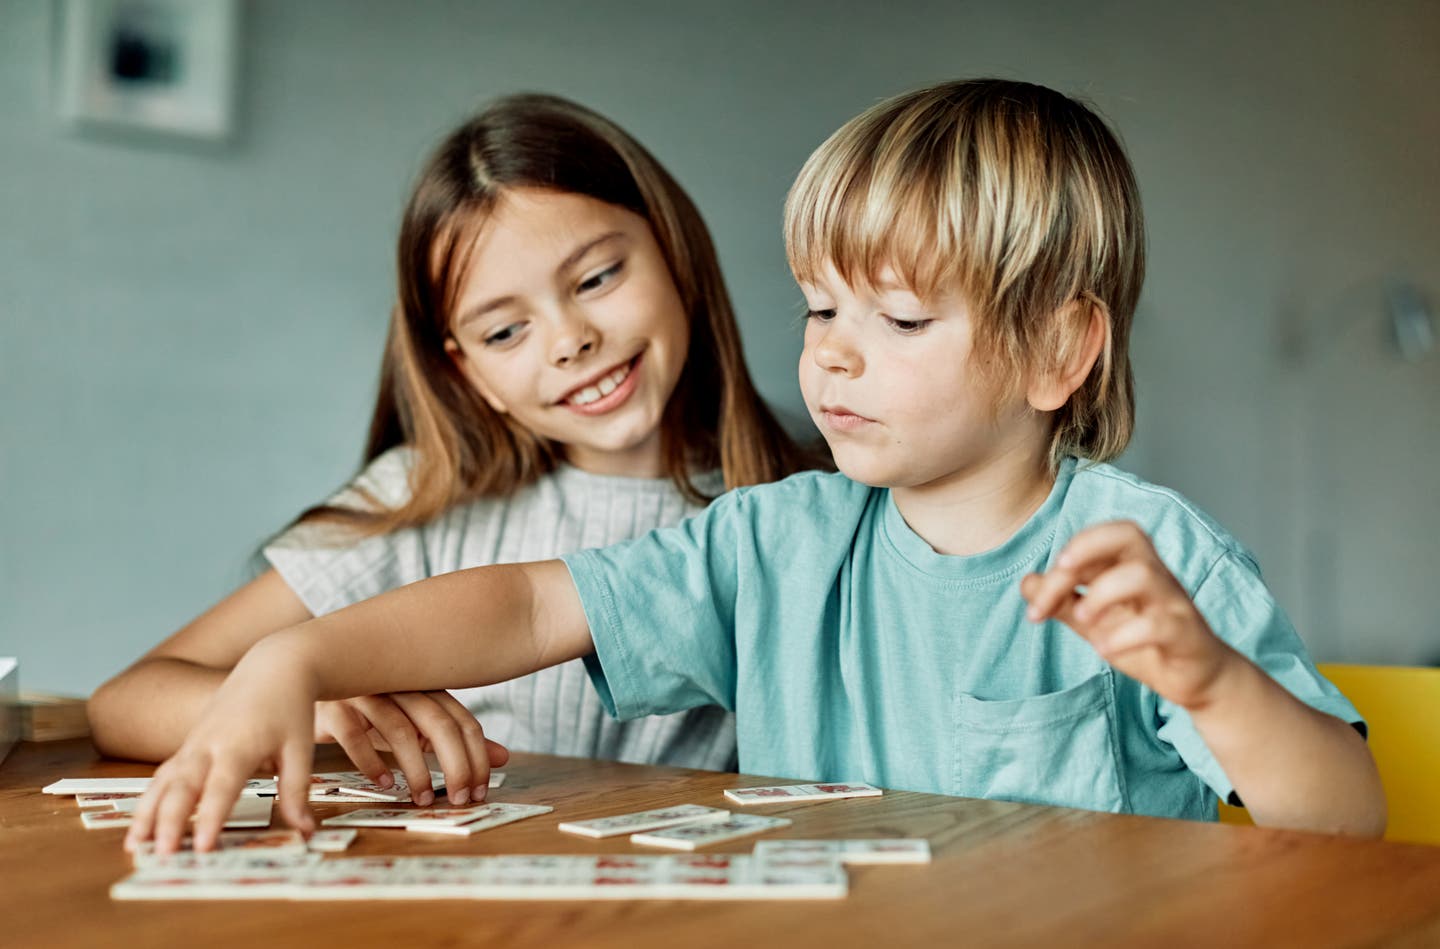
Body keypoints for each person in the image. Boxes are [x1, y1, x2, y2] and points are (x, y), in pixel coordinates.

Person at [125, 79, 1385, 854]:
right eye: (818, 311)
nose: (833, 358)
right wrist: (301, 657)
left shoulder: (1153, 562)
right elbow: (525, 600)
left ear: (1058, 351)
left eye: (895, 322)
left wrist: (1212, 681)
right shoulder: (774, 535)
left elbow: (1343, 820)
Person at [88, 93, 814, 808]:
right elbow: (126, 700)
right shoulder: (421, 499)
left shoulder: (808, 500)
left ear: (675, 252)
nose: (570, 342)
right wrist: (317, 703)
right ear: (467, 370)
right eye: (504, 331)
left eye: (596, 279)